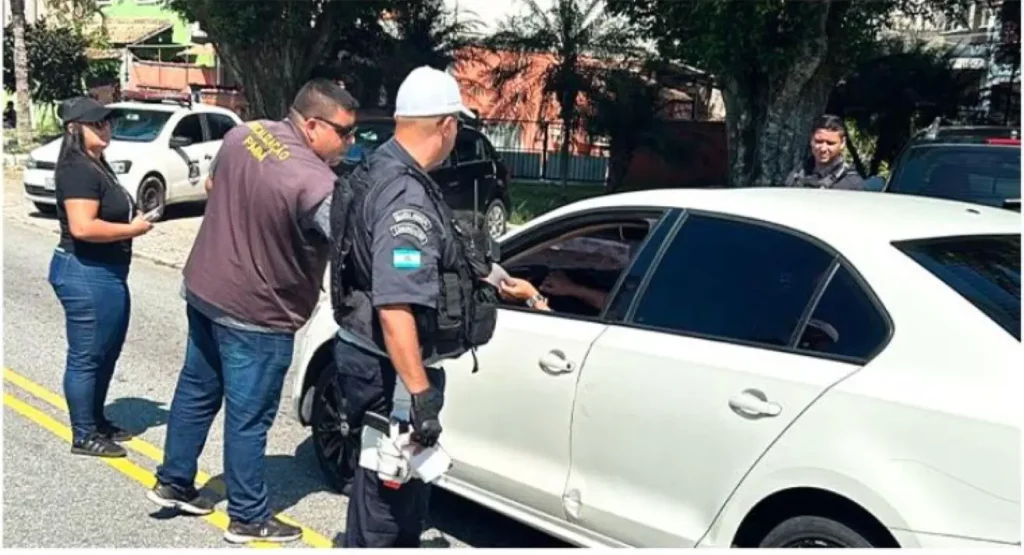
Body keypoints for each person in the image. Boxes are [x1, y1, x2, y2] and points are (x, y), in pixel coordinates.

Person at [146, 79, 359, 545]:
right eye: (345, 132)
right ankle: (247, 515)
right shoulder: (317, 182)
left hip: (205, 287)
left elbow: (212, 183)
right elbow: (352, 248)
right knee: (249, 416)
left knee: (196, 391)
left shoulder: (245, 133)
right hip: (258, 312)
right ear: (313, 124)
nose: (351, 142)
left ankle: (173, 481)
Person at [327, 65, 499, 548]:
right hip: (393, 370)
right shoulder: (407, 196)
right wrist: (421, 395)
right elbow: (397, 303)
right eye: (457, 127)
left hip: (365, 354)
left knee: (376, 473)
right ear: (445, 126)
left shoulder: (376, 167)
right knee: (394, 496)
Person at [48, 96, 154, 458]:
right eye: (97, 123)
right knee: (88, 355)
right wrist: (133, 230)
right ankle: (84, 433)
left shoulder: (96, 164)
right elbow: (82, 226)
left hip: (105, 272)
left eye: (107, 122)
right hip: (85, 271)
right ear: (74, 128)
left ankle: (96, 419)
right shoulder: (76, 168)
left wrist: (132, 216)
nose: (105, 128)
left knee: (106, 351)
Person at [784, 114, 865, 190]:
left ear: (842, 143)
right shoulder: (797, 175)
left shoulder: (852, 184)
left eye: (830, 143)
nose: (823, 149)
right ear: (811, 139)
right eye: (818, 141)